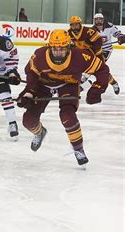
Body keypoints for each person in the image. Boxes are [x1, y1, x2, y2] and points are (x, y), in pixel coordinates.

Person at [17, 29, 111, 166]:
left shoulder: (80, 56)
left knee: (68, 116)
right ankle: (40, 132)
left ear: (69, 47)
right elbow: (31, 73)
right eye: (55, 48)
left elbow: (102, 70)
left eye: (62, 49)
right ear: (49, 46)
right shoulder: (40, 55)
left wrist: (97, 89)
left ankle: (79, 149)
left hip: (69, 85)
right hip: (43, 85)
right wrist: (29, 92)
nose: (58, 52)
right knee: (28, 120)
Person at [67, 15, 120, 96]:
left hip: (98, 53)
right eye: (73, 25)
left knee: (100, 70)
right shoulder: (69, 33)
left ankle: (113, 83)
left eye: (76, 24)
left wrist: (94, 50)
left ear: (80, 24)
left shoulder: (88, 31)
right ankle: (81, 81)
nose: (74, 27)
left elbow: (98, 41)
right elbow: (70, 45)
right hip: (85, 54)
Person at [92, 12, 124, 94]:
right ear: (94, 21)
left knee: (96, 66)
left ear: (103, 20)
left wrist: (121, 37)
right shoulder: (91, 30)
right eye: (97, 19)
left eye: (100, 19)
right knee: (98, 69)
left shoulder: (109, 26)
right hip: (96, 51)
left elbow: (117, 33)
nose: (99, 21)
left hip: (106, 50)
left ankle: (81, 83)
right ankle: (114, 83)